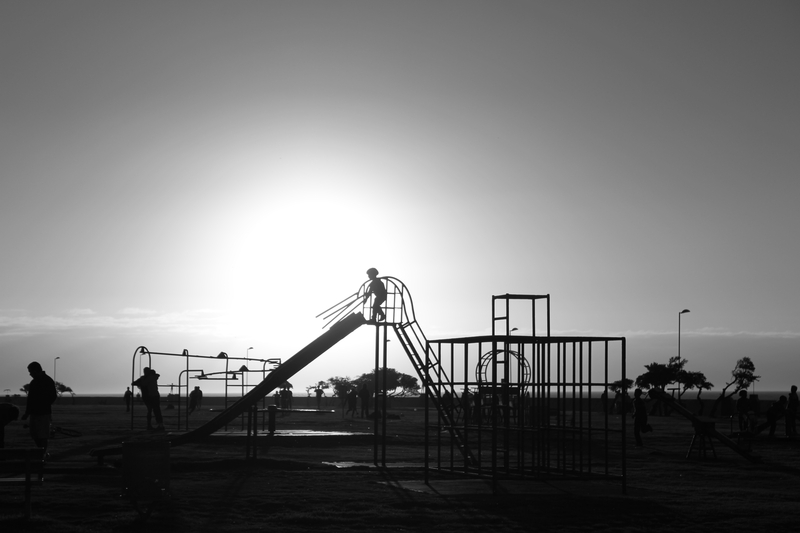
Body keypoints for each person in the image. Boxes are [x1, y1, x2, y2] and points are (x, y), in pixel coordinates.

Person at [21, 361, 58, 452]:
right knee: (34, 434)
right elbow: (30, 399)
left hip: (44, 413)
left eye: (30, 371)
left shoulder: (47, 380)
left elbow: (53, 396)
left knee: (42, 435)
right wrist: (27, 413)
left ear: (35, 371)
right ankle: (40, 452)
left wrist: (43, 404)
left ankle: (43, 454)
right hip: (34, 413)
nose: (30, 374)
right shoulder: (34, 382)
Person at [132, 367, 164, 431]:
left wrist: (139, 383)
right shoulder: (148, 378)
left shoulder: (149, 378)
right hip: (150, 396)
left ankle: (157, 425)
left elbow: (143, 384)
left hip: (151, 396)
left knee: (154, 410)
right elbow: (135, 383)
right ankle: (156, 425)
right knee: (154, 410)